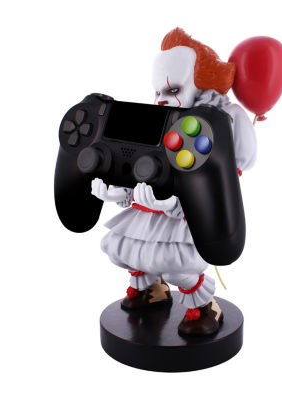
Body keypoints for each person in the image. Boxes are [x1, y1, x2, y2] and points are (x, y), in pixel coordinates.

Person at [91, 28, 257, 335]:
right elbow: (136, 167)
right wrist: (116, 192)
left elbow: (223, 176)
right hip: (149, 206)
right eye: (158, 92)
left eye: (173, 89)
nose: (161, 100)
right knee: (128, 250)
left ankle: (204, 306)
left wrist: (172, 203)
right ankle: (151, 289)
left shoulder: (219, 123)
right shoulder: (158, 121)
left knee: (178, 263)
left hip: (187, 212)